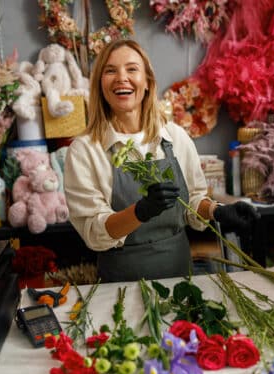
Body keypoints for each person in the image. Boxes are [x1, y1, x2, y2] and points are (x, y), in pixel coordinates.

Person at [64, 39, 259, 282]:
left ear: (147, 83)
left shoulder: (174, 136)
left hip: (180, 278)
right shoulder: (85, 150)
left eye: (132, 69)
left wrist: (218, 211)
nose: (121, 78)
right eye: (110, 70)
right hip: (120, 286)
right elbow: (94, 231)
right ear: (100, 85)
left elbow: (193, 200)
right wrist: (140, 212)